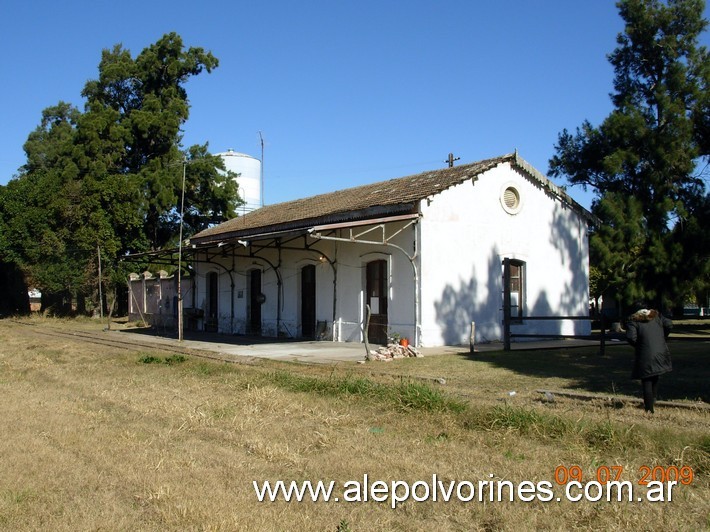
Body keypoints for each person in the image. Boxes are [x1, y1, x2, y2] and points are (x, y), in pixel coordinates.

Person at [625, 301, 672, 413]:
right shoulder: (656, 316)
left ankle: (649, 409)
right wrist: (662, 337)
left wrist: (639, 345)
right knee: (655, 376)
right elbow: (669, 324)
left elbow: (631, 338)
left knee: (646, 380)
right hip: (661, 352)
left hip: (645, 354)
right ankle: (653, 400)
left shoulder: (633, 321)